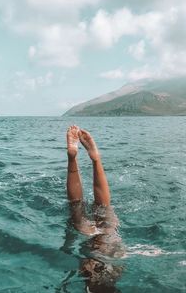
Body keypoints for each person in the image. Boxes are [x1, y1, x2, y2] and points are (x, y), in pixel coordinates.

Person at [66, 125, 123, 293]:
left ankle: (96, 159)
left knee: (103, 208)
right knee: (76, 207)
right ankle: (72, 159)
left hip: (110, 243)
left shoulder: (117, 273)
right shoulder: (87, 273)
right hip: (92, 242)